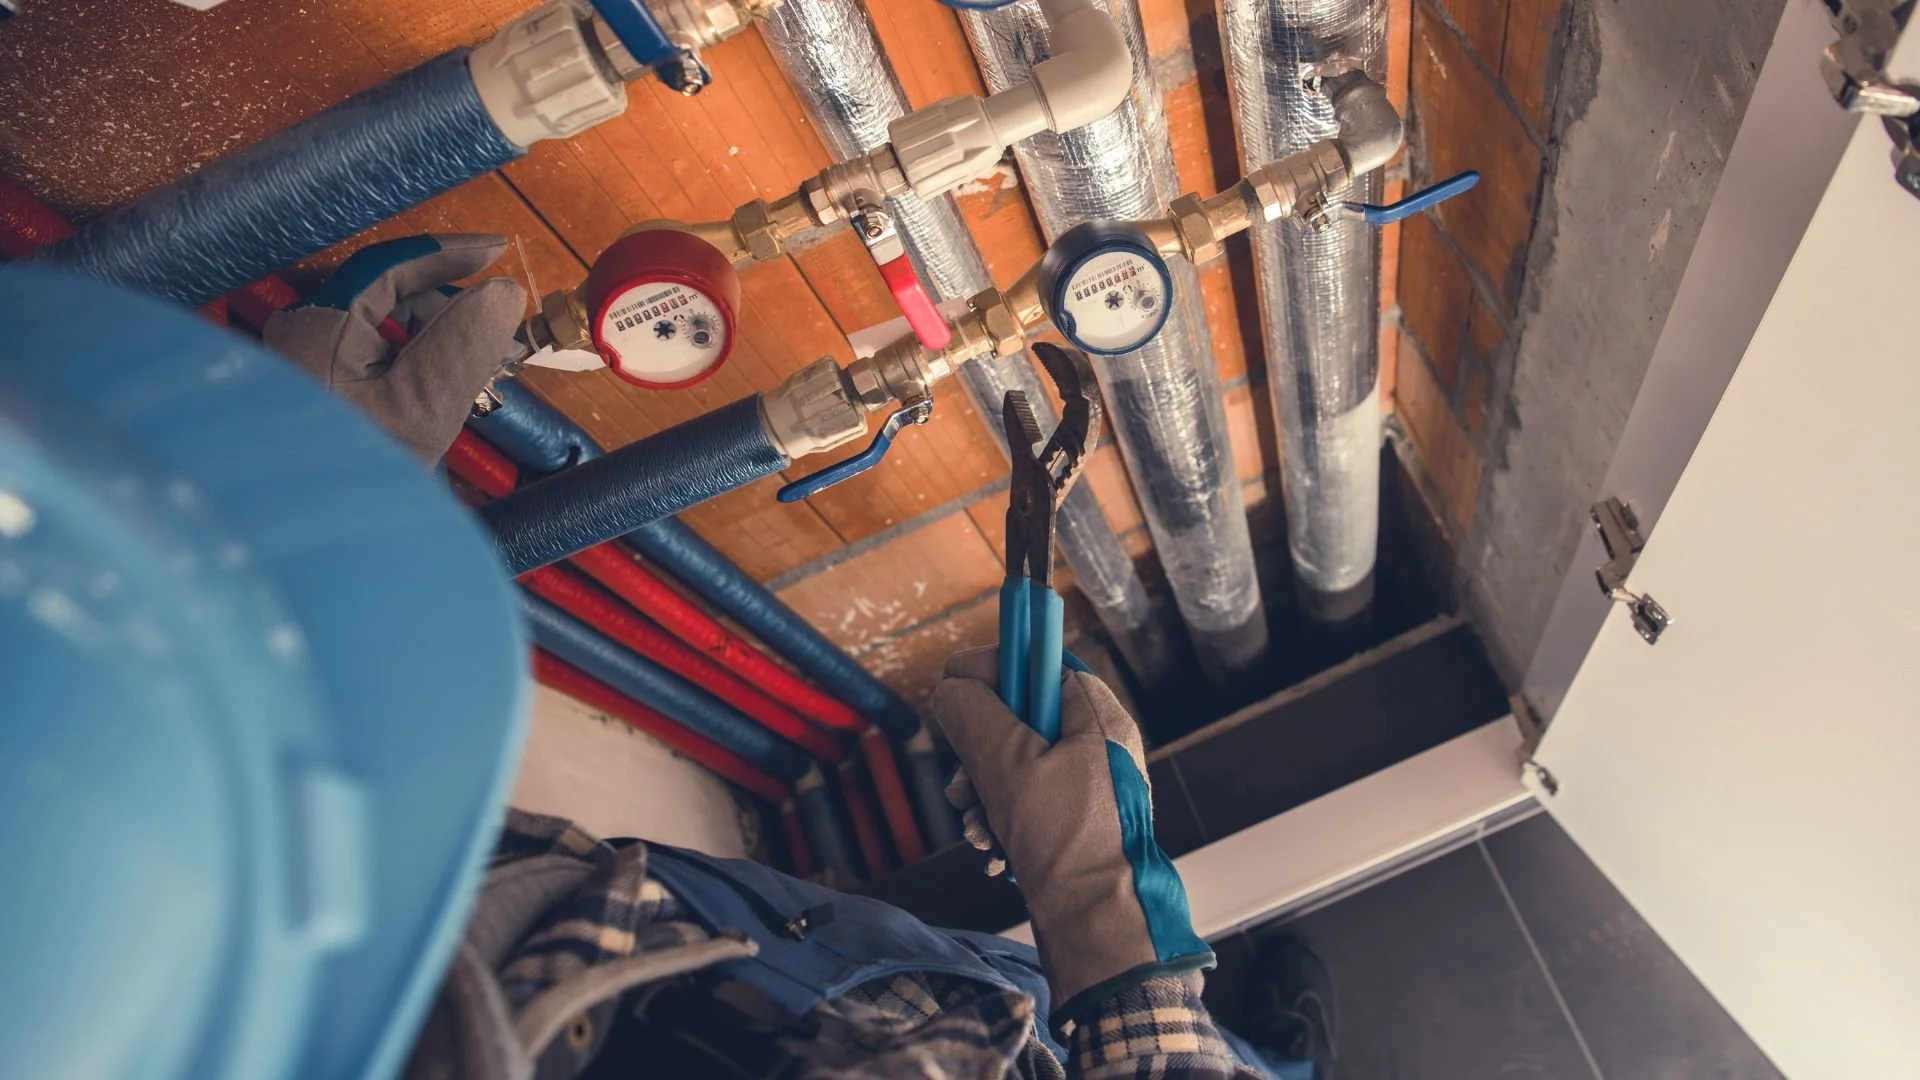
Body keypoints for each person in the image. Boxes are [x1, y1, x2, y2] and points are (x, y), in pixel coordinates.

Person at [2, 237, 1337, 1080]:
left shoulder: (141, 970)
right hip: (833, 975)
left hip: (534, 960)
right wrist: (1114, 935)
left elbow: (113, 838)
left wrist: (280, 536)